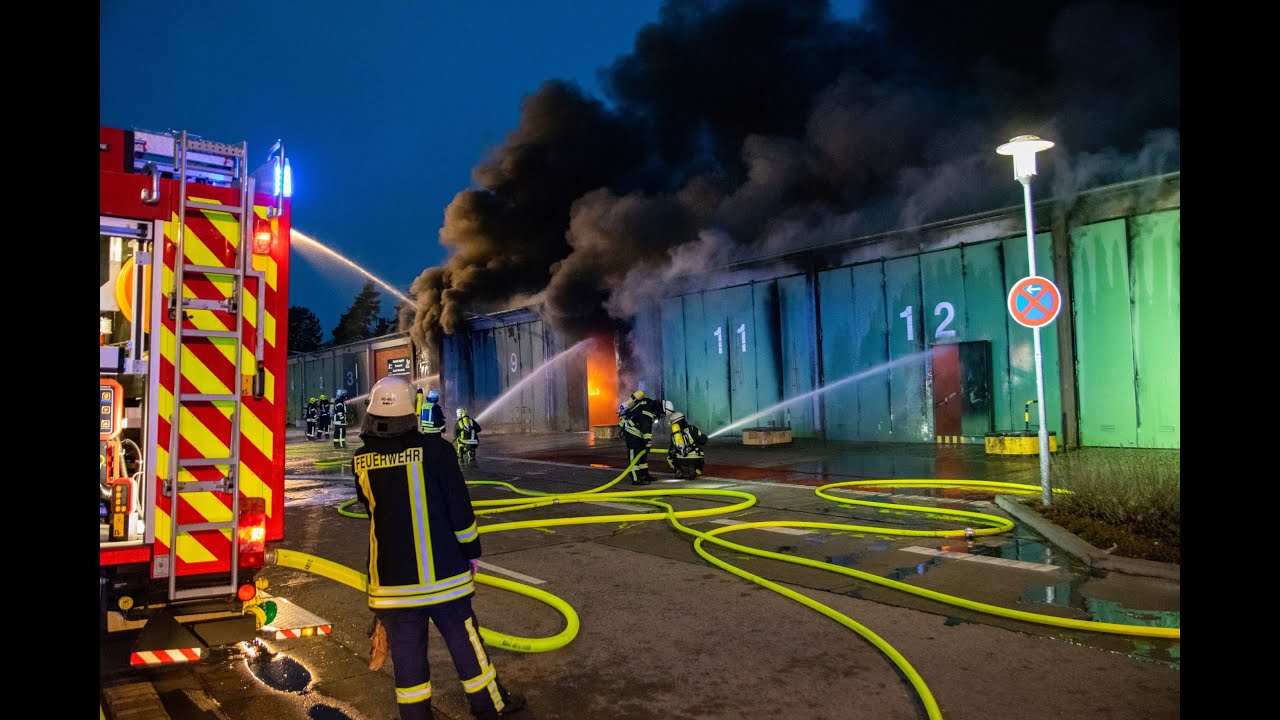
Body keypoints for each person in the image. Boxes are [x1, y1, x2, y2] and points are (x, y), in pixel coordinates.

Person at [353, 375, 526, 720]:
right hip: (444, 576)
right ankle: (488, 706)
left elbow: (373, 512)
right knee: (466, 645)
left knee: (407, 661)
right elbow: (459, 511)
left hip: (392, 585)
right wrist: (471, 551)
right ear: (411, 412)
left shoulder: (361, 461)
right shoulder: (437, 451)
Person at [617, 389, 662, 485]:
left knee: (642, 454)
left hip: (637, 431)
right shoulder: (648, 410)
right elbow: (646, 428)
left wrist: (646, 444)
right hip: (631, 430)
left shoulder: (648, 404)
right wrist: (648, 443)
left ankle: (644, 475)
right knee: (634, 453)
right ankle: (636, 478)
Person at [663, 400, 706, 479]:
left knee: (669, 457)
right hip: (695, 457)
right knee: (701, 454)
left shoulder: (674, 435)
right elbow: (702, 440)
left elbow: (672, 450)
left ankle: (678, 470)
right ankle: (696, 471)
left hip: (680, 458)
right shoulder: (692, 428)